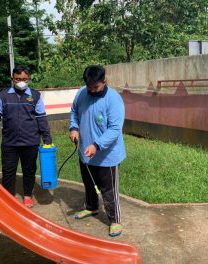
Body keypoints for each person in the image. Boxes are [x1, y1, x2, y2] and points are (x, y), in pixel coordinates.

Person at [69, 65, 126, 237]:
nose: (92, 91)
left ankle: (115, 220)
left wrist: (97, 145)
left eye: (96, 87)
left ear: (104, 81)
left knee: (108, 189)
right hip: (85, 152)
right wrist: (73, 128)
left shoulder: (114, 99)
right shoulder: (81, 93)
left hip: (106, 155)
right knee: (88, 183)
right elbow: (74, 112)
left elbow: (115, 129)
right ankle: (91, 207)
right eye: (89, 87)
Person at [0, 66, 52, 208]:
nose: (21, 82)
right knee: (8, 170)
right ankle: (8, 197)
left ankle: (28, 195)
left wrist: (46, 137)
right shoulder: (3, 95)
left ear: (28, 79)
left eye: (24, 79)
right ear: (12, 79)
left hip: (30, 141)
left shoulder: (35, 96)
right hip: (10, 142)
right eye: (18, 79)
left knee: (29, 170)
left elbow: (41, 118)